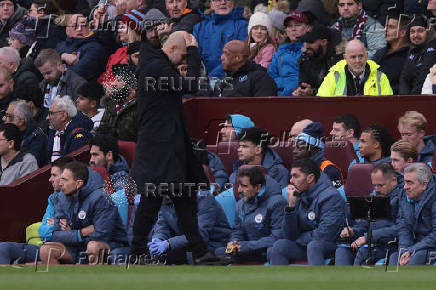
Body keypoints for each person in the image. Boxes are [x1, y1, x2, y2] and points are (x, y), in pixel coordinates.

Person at [131, 31, 224, 264]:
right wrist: (193, 52)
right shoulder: (155, 68)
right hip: (159, 149)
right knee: (153, 200)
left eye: (186, 57)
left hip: (168, 147)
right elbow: (191, 84)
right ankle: (137, 250)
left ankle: (200, 251)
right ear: (172, 49)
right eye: (182, 55)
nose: (184, 60)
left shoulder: (156, 66)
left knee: (185, 199)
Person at [39, 161, 129, 265]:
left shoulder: (101, 198)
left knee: (93, 246)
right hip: (78, 247)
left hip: (111, 246)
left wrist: (70, 233)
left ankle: (96, 280)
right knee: (46, 250)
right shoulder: (61, 197)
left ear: (78, 183)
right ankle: (62, 281)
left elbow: (101, 236)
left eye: (65, 180)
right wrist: (80, 233)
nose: (60, 183)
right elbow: (55, 234)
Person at [268, 158, 345, 265]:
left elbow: (326, 234)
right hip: (306, 244)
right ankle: (281, 281)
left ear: (310, 178)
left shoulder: (330, 197)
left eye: (296, 176)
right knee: (279, 246)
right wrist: (291, 207)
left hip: (331, 245)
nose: (291, 181)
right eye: (291, 176)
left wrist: (299, 238)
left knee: (314, 245)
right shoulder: (298, 194)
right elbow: (288, 235)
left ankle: (318, 280)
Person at [0, 156, 74, 264]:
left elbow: (74, 232)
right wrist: (58, 227)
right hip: (45, 246)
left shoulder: (80, 198)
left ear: (66, 177)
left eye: (54, 175)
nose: (50, 179)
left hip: (66, 249)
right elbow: (43, 231)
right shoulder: (53, 198)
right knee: (3, 248)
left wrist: (55, 225)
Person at [215, 166, 286, 262]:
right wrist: (234, 242)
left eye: (244, 186)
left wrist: (246, 246)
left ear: (258, 187)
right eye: (238, 185)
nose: (239, 190)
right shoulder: (240, 205)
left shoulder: (277, 203)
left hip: (266, 250)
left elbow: (277, 237)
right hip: (247, 249)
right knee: (218, 251)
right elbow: (237, 231)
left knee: (272, 250)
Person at [335, 163, 401, 266]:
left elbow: (400, 229)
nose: (377, 189)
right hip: (371, 243)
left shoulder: (402, 199)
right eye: (374, 185)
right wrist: (353, 231)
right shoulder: (373, 197)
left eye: (380, 185)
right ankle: (339, 281)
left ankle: (356, 281)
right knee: (342, 251)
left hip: (390, 246)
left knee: (364, 252)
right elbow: (364, 225)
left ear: (394, 181)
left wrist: (368, 237)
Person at [149, 191, 232, 264]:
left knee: (171, 258)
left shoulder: (203, 198)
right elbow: (162, 226)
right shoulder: (165, 200)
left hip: (212, 245)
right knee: (154, 256)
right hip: (186, 246)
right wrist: (157, 239)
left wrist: (169, 243)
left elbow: (201, 234)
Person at [389, 163, 436, 266]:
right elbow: (404, 228)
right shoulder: (404, 196)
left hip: (430, 247)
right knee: (394, 257)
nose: (405, 187)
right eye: (405, 182)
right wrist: (404, 251)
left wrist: (412, 250)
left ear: (424, 185)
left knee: (417, 257)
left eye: (409, 183)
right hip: (415, 246)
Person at [317, 40, 393, 97]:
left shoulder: (381, 78)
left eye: (361, 56)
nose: (357, 61)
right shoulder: (332, 77)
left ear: (366, 56)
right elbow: (321, 105)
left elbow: (388, 106)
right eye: (353, 57)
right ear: (345, 58)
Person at [193, 0, 248, 78]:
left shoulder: (242, 26)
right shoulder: (199, 27)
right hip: (201, 80)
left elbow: (240, 56)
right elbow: (194, 55)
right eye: (218, 0)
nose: (223, 2)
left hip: (230, 79)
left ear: (233, 3)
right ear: (211, 4)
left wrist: (214, 77)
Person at [213, 40, 277, 97]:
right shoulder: (223, 80)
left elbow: (265, 107)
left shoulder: (260, 78)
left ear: (238, 58)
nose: (222, 58)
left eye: (226, 54)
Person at [268, 11, 310, 96]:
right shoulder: (279, 53)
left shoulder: (311, 51)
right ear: (286, 31)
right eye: (289, 26)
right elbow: (270, 79)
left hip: (305, 98)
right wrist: (287, 84)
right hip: (281, 99)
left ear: (307, 28)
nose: (293, 29)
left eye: (298, 25)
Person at [293, 24, 343, 96]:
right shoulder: (305, 60)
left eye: (310, 42)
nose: (306, 46)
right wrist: (301, 91)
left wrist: (313, 92)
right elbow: (304, 84)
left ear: (324, 42)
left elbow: (337, 89)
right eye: (305, 41)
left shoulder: (339, 62)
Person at [55, 14, 106, 81]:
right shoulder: (60, 45)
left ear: (89, 28)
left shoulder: (95, 48)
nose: (79, 29)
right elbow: (48, 61)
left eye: (83, 25)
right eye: (75, 26)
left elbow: (78, 73)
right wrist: (63, 56)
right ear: (68, 31)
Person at [294, 122, 343, 188]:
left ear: (313, 148)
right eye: (295, 147)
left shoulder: (329, 170)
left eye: (300, 147)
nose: (294, 151)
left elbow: (333, 197)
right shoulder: (299, 167)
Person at [96, 64, 138, 142]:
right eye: (114, 80)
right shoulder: (111, 104)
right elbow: (101, 132)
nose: (113, 84)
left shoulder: (141, 107)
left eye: (118, 80)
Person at [372, 12, 410, 95]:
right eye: (386, 26)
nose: (385, 29)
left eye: (391, 27)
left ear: (402, 33)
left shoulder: (409, 56)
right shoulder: (380, 52)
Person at [46, 95, 93, 162]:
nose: (47, 118)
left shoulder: (79, 136)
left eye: (51, 113)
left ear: (63, 116)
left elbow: (74, 164)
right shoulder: (53, 133)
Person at [3, 100, 47, 167]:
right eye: (5, 115)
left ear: (21, 121)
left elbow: (27, 166)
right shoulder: (6, 133)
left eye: (9, 116)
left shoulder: (37, 139)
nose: (4, 119)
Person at [399, 15, 436, 95]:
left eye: (420, 31)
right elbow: (404, 78)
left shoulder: (433, 49)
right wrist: (404, 99)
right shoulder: (412, 50)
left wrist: (412, 100)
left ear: (428, 31)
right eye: (412, 32)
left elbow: (423, 76)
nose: (415, 35)